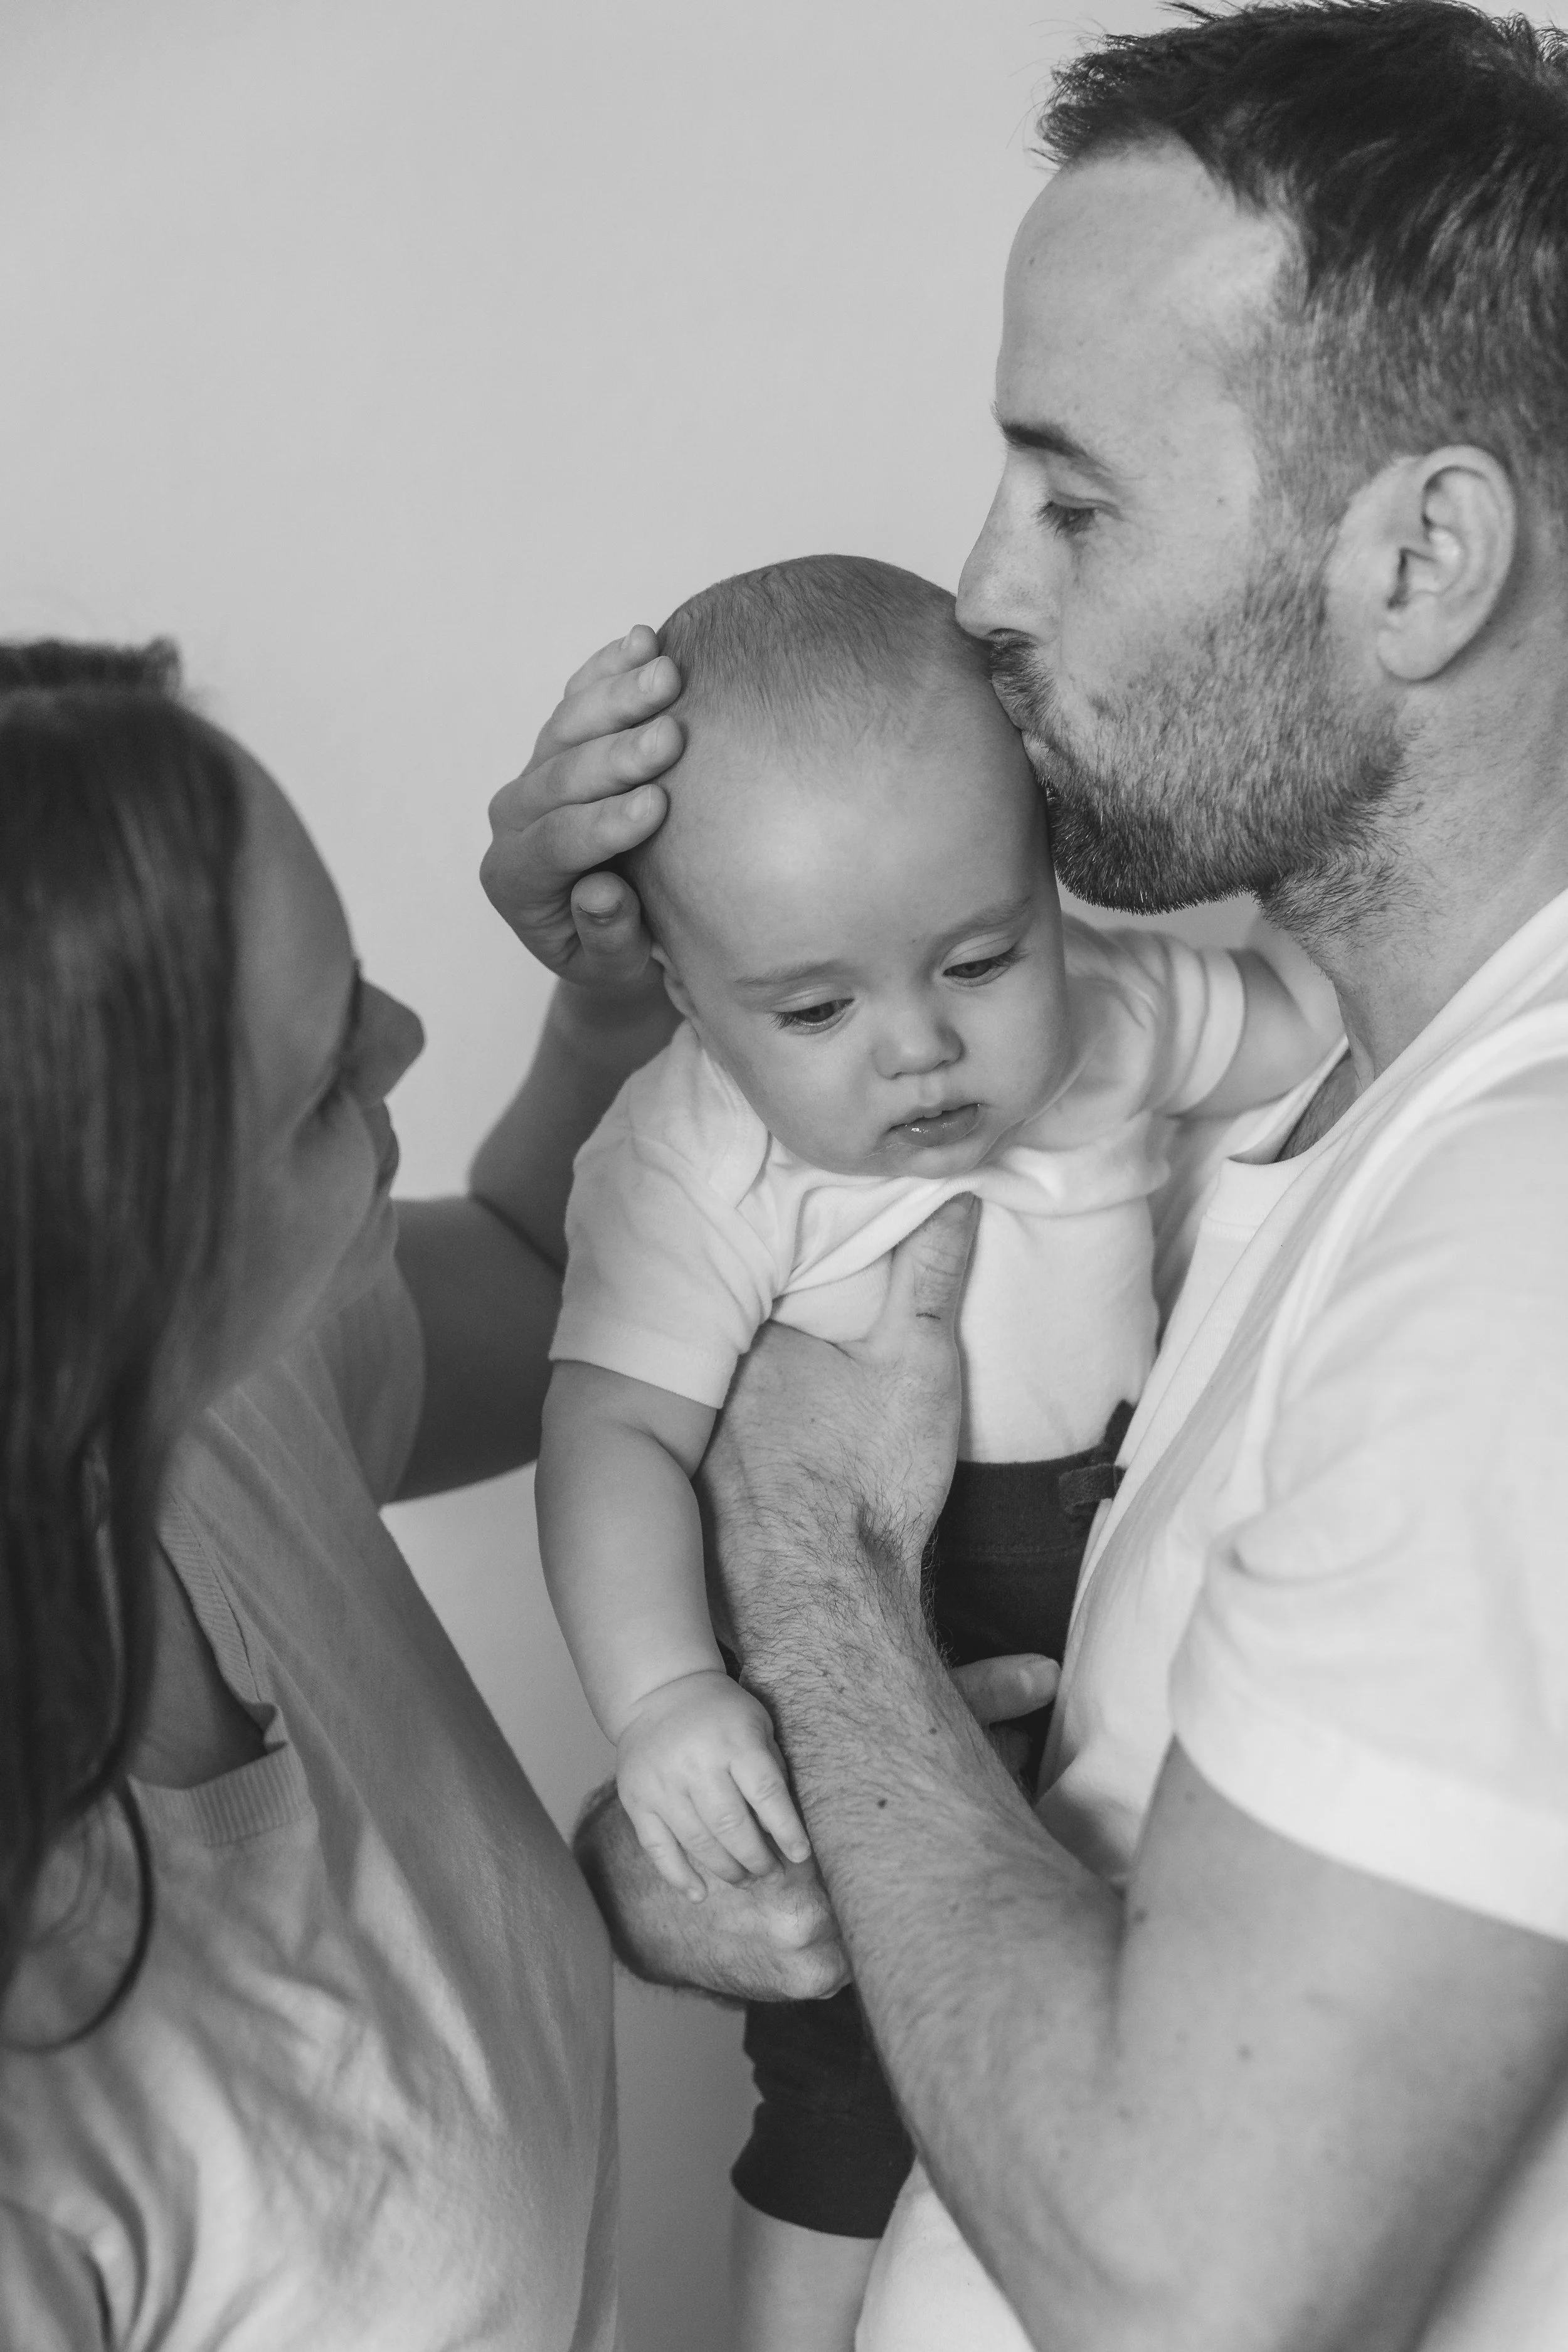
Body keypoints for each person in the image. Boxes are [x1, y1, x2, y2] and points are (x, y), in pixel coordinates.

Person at [485, 4, 1568, 2347]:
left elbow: (1200, 2284)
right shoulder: (1288, 1072)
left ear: (1423, 560)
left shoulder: (1522, 1245)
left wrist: (806, 1553)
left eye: (1071, 499)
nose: (977, 584)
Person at [538, 550, 1332, 2338]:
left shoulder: (1112, 1021)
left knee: (1123, 2001)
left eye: (980, 957)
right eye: (812, 1010)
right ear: (676, 981)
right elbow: (609, 1433)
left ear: (1050, 885)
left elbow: (1325, 1014)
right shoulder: (696, 1159)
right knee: (842, 2078)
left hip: (1121, 1579)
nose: (918, 1048)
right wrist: (666, 1696)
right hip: (860, 1637)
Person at [0, 638, 687, 2349]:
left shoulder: (212, 1406)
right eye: (322, 1078)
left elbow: (544, 1267)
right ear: (110, 1257)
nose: (407, 1034)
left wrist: (611, 997)